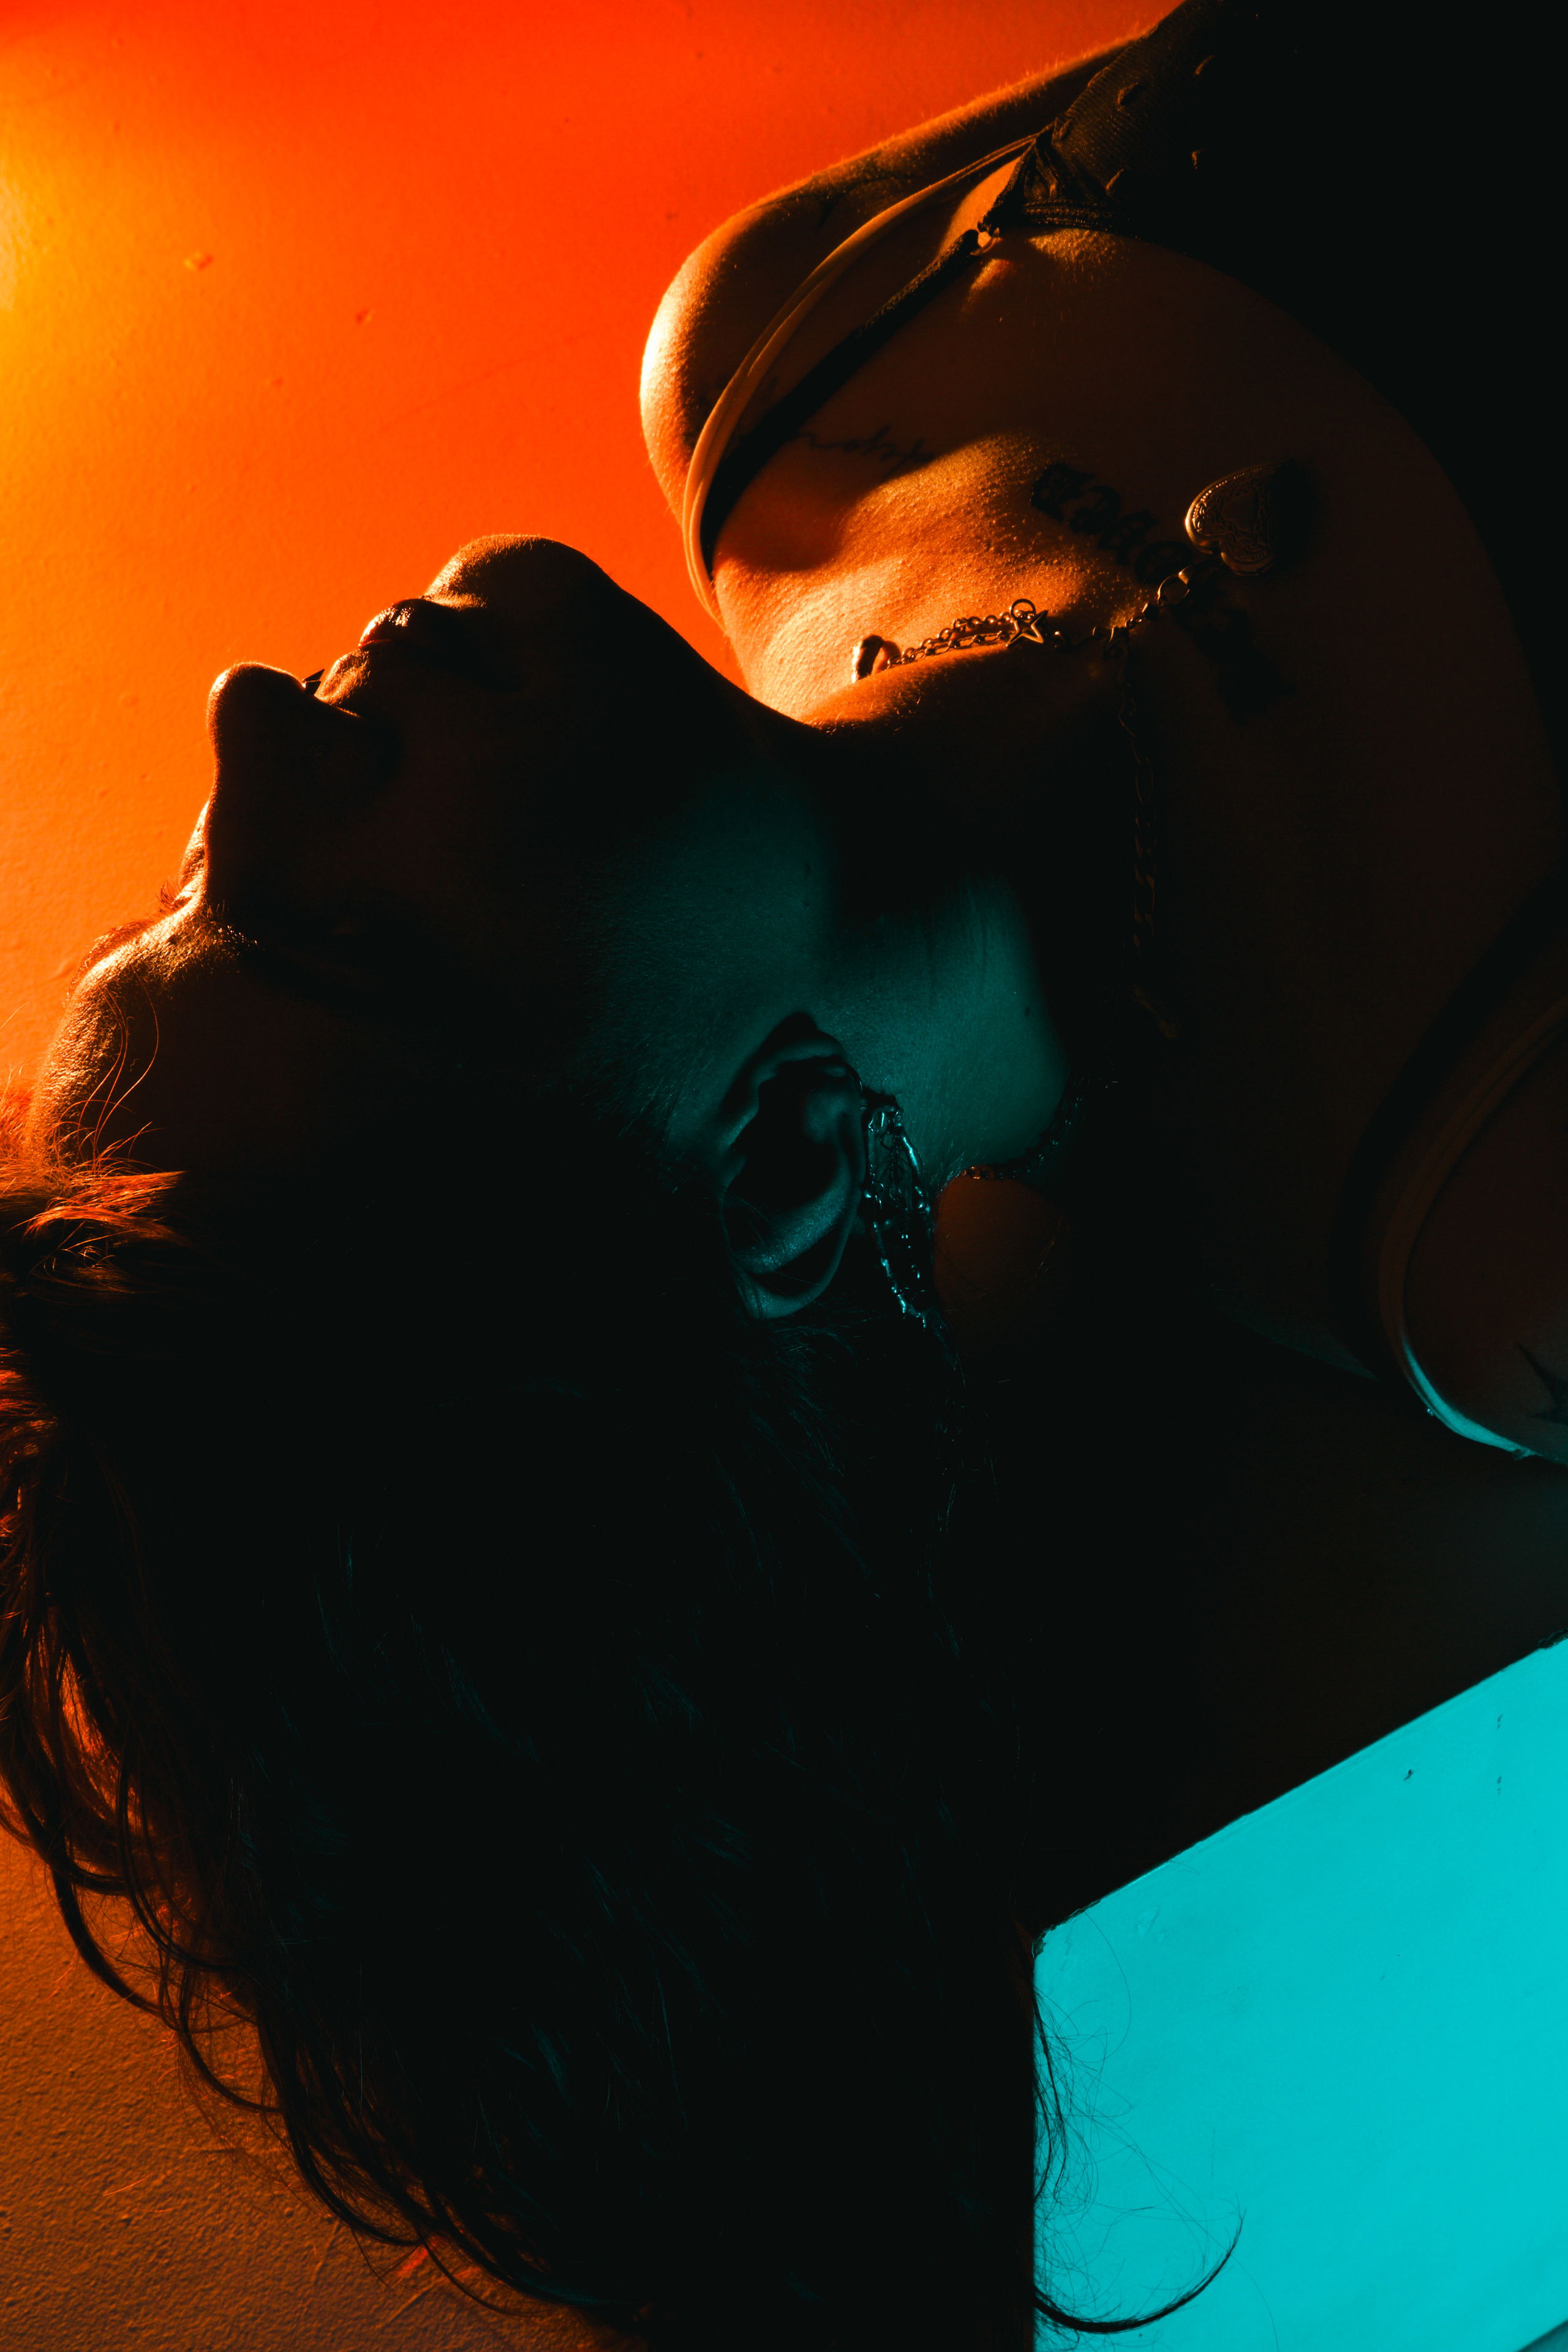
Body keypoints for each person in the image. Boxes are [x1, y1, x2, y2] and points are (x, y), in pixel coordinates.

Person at [2, 1, 1562, 2343]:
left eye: (168, 889)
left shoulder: (781, 370)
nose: (236, 729)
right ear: (770, 1187)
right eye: (314, 933)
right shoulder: (1512, 1208)